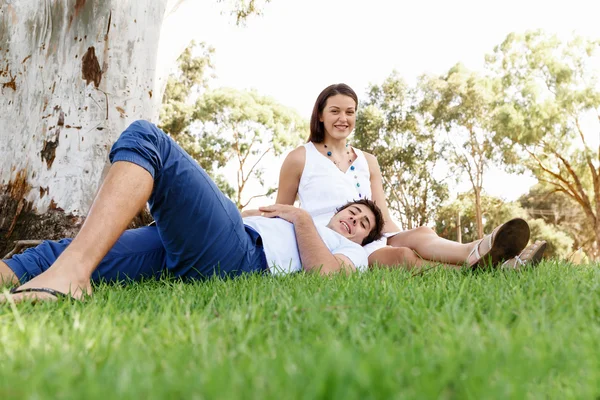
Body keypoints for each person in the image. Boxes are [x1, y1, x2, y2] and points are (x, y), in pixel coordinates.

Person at [1, 120, 385, 302]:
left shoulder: (352, 250)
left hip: (240, 255)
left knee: (147, 138)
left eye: (363, 224)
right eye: (353, 211)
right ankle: (46, 272)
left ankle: (71, 278)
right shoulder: (309, 222)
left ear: (363, 237)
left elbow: (326, 275)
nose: (355, 219)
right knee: (61, 252)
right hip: (194, 245)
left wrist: (299, 217)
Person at [276, 83, 545, 270]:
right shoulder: (300, 157)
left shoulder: (367, 161)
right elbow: (281, 211)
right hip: (331, 241)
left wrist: (406, 234)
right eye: (335, 111)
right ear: (320, 115)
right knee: (403, 256)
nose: (343, 118)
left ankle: (480, 249)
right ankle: (494, 264)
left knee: (421, 234)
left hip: (368, 232)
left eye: (350, 111)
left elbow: (382, 214)